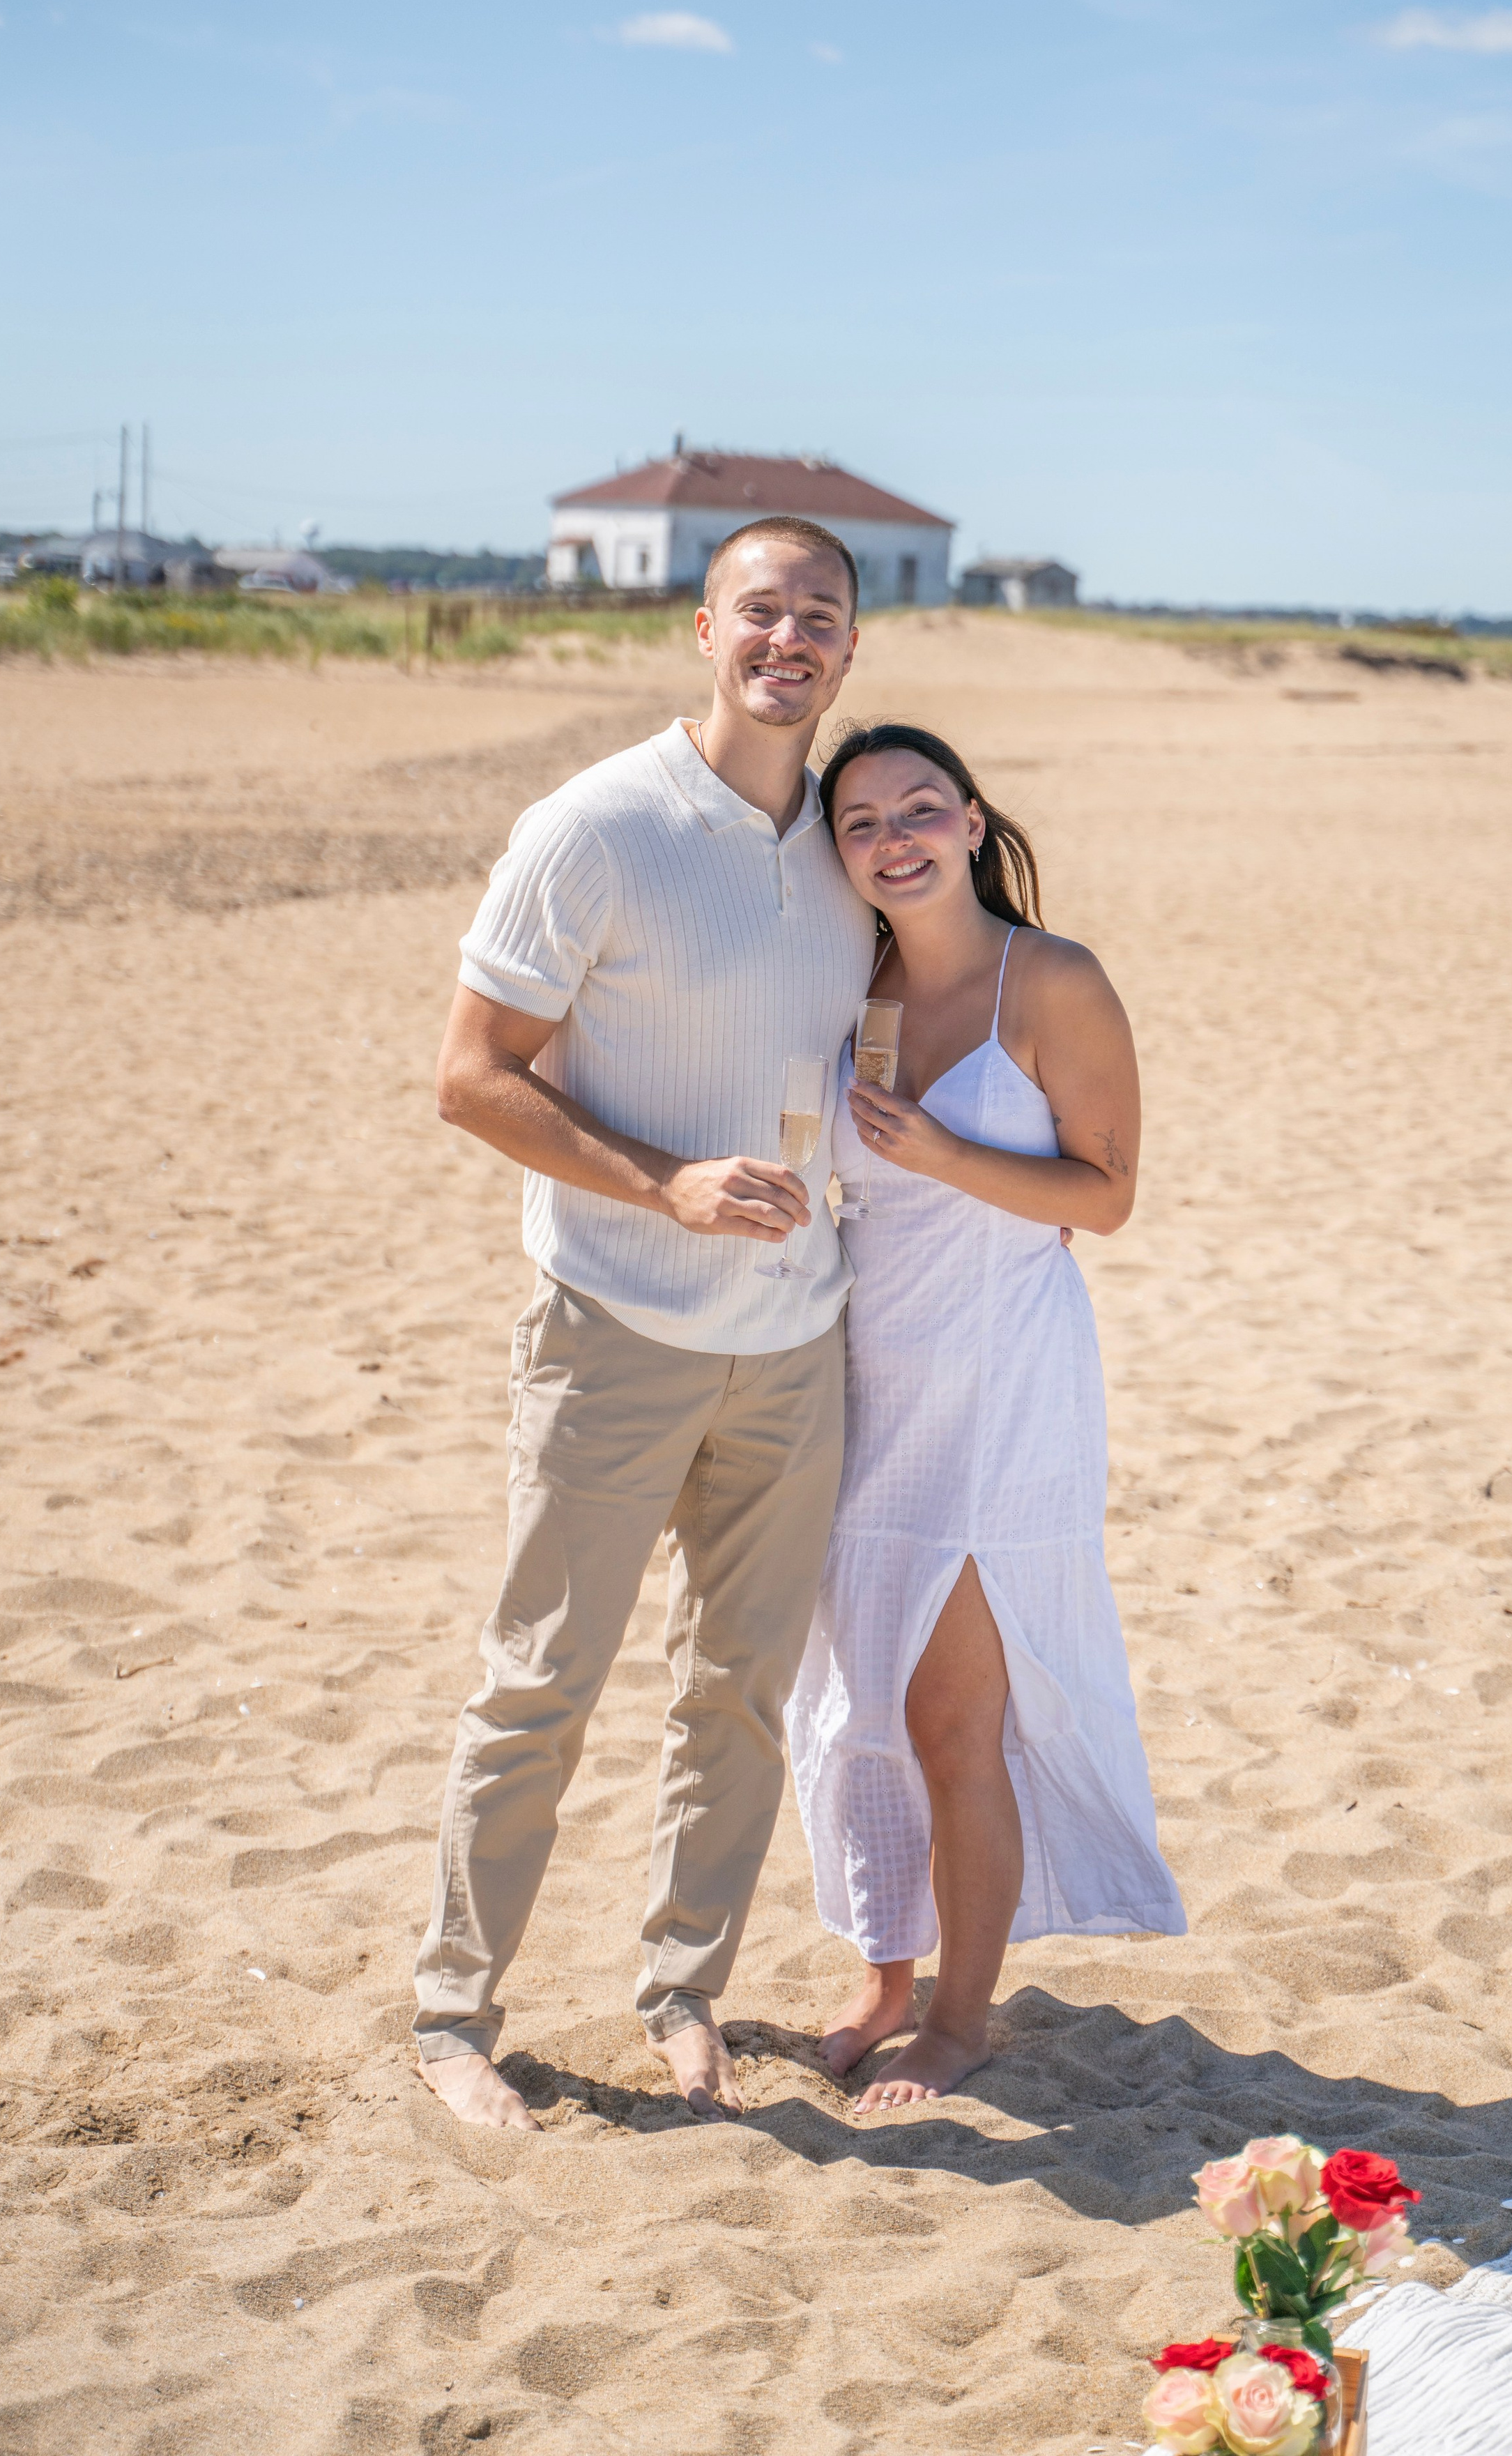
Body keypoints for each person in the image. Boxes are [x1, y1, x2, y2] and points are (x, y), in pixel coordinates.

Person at [413, 517, 878, 2129]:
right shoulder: (595, 826)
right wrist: (663, 1183)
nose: (786, 638)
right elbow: (469, 1076)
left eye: (817, 616)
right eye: (761, 610)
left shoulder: (850, 844)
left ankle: (684, 1992)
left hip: (795, 1346)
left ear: (850, 648)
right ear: (703, 627)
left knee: (737, 1696)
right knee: (541, 1683)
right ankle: (453, 2016)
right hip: (611, 1327)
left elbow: (886, 1032)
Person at [786, 722, 1184, 2113]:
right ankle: (884, 1977)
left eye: (918, 808)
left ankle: (957, 2018)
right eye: (859, 822)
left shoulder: (1052, 978)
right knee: (868, 1702)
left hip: (1003, 1382)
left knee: (954, 1717)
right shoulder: (859, 984)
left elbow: (1106, 1195)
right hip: (867, 1378)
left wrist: (952, 1151)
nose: (892, 838)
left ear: (969, 820)